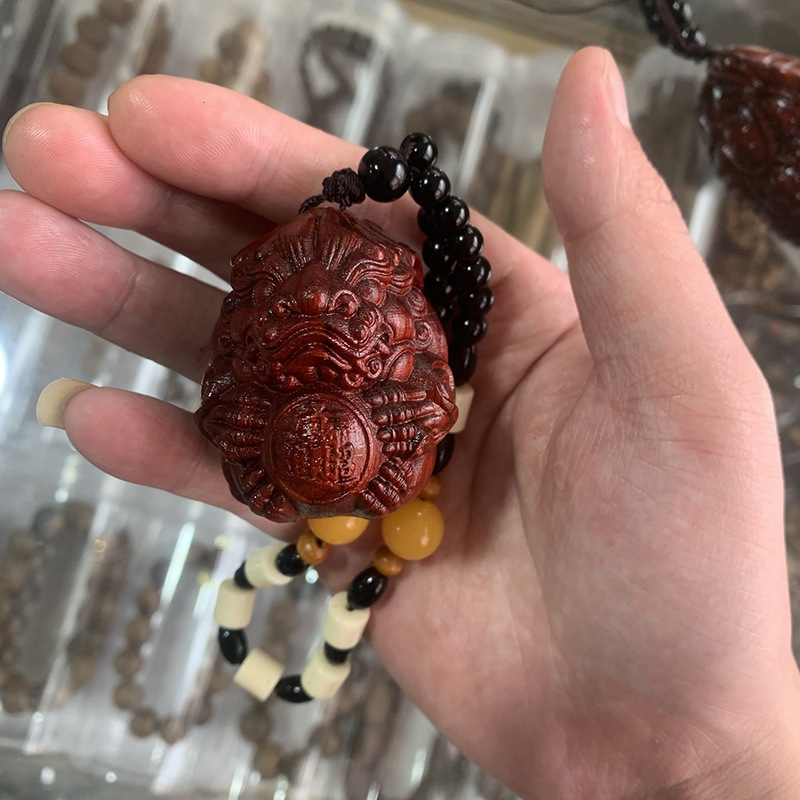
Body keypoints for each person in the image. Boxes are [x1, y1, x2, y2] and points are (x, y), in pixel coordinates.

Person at [1, 47, 798, 799]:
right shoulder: (285, 387)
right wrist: (712, 766)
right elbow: (239, 397)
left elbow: (423, 398)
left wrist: (717, 764)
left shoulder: (406, 383)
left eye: (347, 307)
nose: (322, 312)